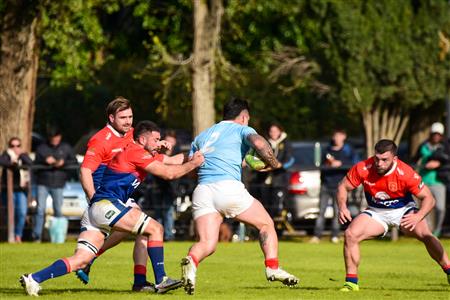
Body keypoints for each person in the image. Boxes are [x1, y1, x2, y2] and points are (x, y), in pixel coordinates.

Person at [19, 120, 204, 296]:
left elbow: (174, 161)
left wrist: (197, 154)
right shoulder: (137, 152)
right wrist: (194, 164)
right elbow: (169, 173)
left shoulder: (141, 152)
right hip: (107, 204)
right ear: (142, 139)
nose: (159, 143)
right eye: (155, 139)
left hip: (96, 209)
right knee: (156, 228)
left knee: (81, 259)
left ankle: (33, 278)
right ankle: (161, 280)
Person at [180, 98, 299, 295]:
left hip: (202, 190)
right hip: (228, 187)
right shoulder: (242, 129)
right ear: (244, 117)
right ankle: (272, 267)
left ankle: (191, 261)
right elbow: (260, 142)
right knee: (266, 224)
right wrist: (274, 162)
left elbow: (193, 168)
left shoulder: (203, 135)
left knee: (208, 243)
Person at [337, 139, 450, 292]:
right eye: (377, 158)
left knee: (426, 234)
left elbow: (429, 198)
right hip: (376, 212)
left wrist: (418, 216)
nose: (379, 163)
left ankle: (448, 269)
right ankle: (351, 283)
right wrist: (342, 207)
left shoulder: (406, 173)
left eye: (385, 160)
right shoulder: (364, 167)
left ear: (394, 159)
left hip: (404, 210)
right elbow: (343, 186)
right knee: (350, 234)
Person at [76, 97, 156, 292]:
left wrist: (158, 145)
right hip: (106, 197)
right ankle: (139, 280)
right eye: (123, 117)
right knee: (147, 228)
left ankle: (138, 280)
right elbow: (85, 170)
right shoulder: (100, 139)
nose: (129, 121)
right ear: (111, 118)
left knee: (143, 229)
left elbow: (144, 151)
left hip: (121, 195)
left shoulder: (130, 134)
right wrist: (94, 198)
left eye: (130, 116)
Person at [310, 129, 357, 244]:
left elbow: (355, 164)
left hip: (340, 187)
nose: (337, 138)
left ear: (344, 137)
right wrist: (328, 164)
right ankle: (317, 235)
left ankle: (335, 235)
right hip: (326, 185)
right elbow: (320, 164)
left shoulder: (347, 151)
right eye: (335, 136)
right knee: (321, 211)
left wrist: (341, 164)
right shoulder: (327, 150)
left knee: (338, 211)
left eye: (339, 136)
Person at [32, 127, 77, 242]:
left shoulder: (66, 148)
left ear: (60, 137)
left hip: (58, 183)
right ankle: (37, 237)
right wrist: (44, 161)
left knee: (58, 210)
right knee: (40, 210)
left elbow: (74, 162)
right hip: (43, 182)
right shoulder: (42, 148)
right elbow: (34, 165)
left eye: (56, 138)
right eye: (53, 138)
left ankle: (58, 238)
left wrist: (63, 162)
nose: (55, 140)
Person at [254, 122, 294, 218]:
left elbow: (290, 160)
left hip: (280, 180)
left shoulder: (286, 143)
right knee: (266, 206)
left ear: (280, 131)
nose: (273, 133)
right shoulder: (264, 143)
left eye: (275, 131)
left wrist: (280, 165)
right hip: (265, 180)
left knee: (276, 207)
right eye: (271, 131)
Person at [416, 122, 447, 237]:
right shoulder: (423, 146)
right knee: (426, 208)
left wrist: (438, 164)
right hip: (424, 182)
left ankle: (437, 230)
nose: (436, 136)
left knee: (440, 208)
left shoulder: (445, 148)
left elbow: (446, 162)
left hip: (439, 182)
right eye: (434, 134)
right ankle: (428, 231)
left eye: (438, 134)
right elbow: (416, 161)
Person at [0, 137, 33, 243]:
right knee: (10, 214)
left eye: (18, 145)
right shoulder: (6, 155)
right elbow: (2, 161)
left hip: (20, 190)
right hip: (8, 191)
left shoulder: (23, 156)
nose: (15, 148)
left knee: (22, 212)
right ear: (9, 147)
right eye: (12, 146)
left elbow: (30, 163)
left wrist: (21, 155)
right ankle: (10, 236)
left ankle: (18, 235)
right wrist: (12, 163)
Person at [152, 130, 179, 241]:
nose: (169, 143)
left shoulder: (177, 155)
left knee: (168, 211)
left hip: (170, 188)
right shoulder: (159, 154)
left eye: (171, 141)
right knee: (158, 211)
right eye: (168, 141)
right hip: (159, 187)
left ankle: (168, 235)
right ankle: (158, 234)